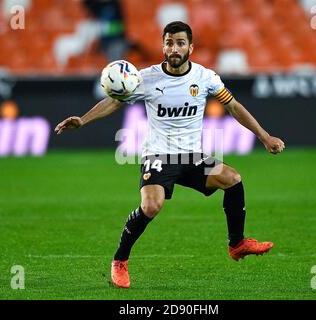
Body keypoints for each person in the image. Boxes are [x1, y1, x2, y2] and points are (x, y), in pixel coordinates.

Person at [54, 21, 285, 289]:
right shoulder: (146, 78)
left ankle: (237, 244)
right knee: (151, 206)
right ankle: (120, 261)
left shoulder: (205, 78)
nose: (174, 48)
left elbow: (233, 106)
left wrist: (264, 136)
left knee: (233, 179)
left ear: (190, 47)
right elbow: (115, 100)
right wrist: (83, 120)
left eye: (180, 43)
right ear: (162, 45)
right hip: (158, 156)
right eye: (169, 42)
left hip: (190, 157)